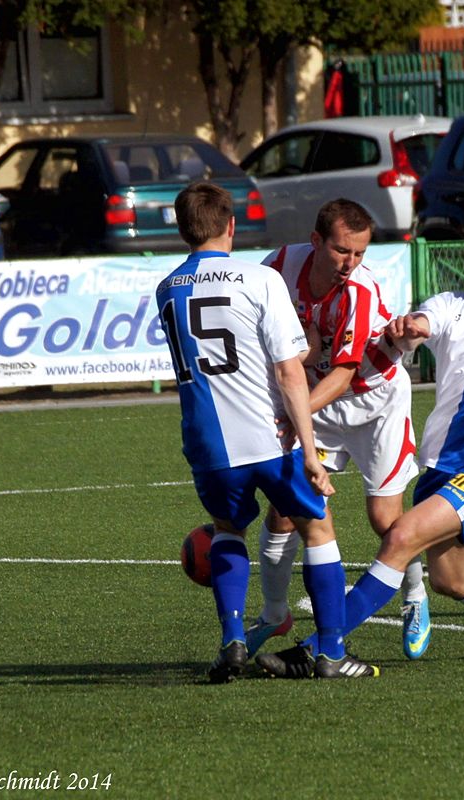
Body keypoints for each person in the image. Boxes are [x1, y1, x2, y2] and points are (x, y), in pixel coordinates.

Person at [257, 222, 464, 678]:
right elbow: (423, 322)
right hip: (439, 466)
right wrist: (410, 327)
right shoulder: (450, 304)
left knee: (400, 537)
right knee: (451, 579)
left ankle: (319, 648)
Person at [156, 182, 379, 682]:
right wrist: (311, 451)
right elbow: (288, 371)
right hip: (269, 435)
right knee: (317, 527)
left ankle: (233, 638)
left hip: (206, 440)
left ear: (183, 229)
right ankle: (331, 653)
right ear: (232, 225)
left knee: (227, 530)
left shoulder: (167, 288)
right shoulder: (261, 278)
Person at [245, 198, 432, 661]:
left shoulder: (359, 291)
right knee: (285, 511)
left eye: (360, 253)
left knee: (385, 521)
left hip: (375, 401)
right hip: (316, 401)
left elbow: (345, 375)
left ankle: (414, 595)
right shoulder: (277, 268)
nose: (351, 263)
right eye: (342, 251)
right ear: (315, 241)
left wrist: (294, 412)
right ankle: (273, 614)